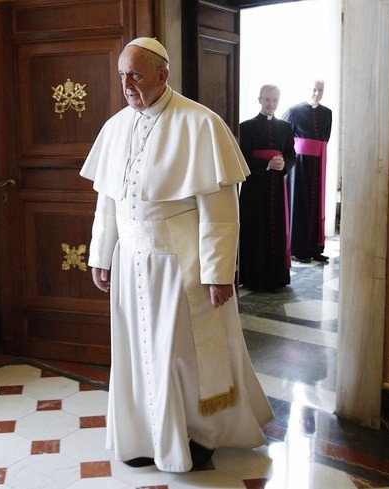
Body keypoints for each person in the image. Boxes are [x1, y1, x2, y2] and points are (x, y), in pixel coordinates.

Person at [79, 37, 273, 473]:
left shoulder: (200, 124)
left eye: (136, 75)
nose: (127, 85)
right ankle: (146, 434)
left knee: (183, 355)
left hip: (181, 265)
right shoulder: (114, 127)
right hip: (131, 264)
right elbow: (107, 202)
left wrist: (219, 272)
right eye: (122, 75)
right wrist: (101, 255)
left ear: (163, 75)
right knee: (135, 350)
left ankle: (201, 432)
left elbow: (220, 212)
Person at [238, 84, 296, 292]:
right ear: (260, 100)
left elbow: (291, 154)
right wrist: (266, 164)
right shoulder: (245, 127)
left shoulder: (286, 127)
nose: (271, 104)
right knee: (256, 229)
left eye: (275, 100)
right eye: (267, 100)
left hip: (277, 188)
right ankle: (254, 278)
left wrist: (284, 164)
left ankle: (277, 278)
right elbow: (241, 159)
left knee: (276, 229)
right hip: (255, 189)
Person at [282, 79, 332, 263]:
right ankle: (298, 248)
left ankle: (315, 247)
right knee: (300, 204)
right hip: (299, 165)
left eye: (321, 90)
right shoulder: (294, 111)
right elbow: (284, 137)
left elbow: (325, 137)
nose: (317, 93)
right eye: (314, 89)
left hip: (319, 163)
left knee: (316, 204)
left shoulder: (327, 113)